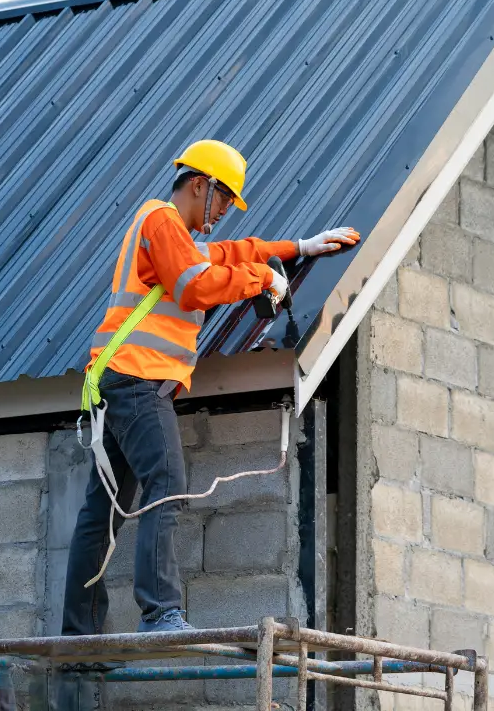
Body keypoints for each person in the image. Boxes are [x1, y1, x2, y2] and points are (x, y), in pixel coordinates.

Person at [60, 139, 361, 636]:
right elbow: (195, 285)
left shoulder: (173, 235)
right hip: (137, 381)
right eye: (223, 200)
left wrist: (298, 249)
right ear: (199, 184)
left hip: (119, 381)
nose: (223, 212)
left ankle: (78, 639)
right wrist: (262, 278)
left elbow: (231, 252)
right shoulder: (160, 220)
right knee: (167, 485)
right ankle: (160, 614)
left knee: (101, 511)